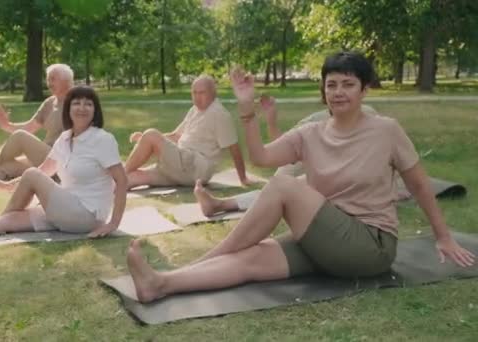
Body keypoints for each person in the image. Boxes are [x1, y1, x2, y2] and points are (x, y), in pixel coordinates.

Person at [125, 52, 475, 303]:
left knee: (284, 186)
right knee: (250, 259)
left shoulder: (386, 131)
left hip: (369, 246)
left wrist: (443, 237)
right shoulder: (311, 133)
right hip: (323, 241)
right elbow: (261, 157)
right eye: (331, 84)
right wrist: (246, 109)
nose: (338, 92)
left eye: (348, 84)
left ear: (364, 90)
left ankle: (204, 259)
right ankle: (161, 284)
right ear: (323, 90)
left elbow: (418, 183)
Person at [0, 86, 127, 242]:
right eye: (77, 103)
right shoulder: (65, 138)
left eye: (88, 104)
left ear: (95, 110)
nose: (82, 108)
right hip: (66, 208)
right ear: (69, 108)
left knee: (30, 176)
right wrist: (6, 185)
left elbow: (122, 180)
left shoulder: (103, 139)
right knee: (11, 219)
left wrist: (113, 223)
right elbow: (44, 171)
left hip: (88, 216)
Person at [194, 101, 378, 217]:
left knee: (289, 188)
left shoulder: (368, 118)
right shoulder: (315, 121)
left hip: (341, 182)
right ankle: (220, 204)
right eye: (332, 85)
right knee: (283, 186)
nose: (339, 93)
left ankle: (220, 204)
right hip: (312, 174)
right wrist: (271, 121)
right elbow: (283, 148)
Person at [124, 75, 251, 189]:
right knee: (133, 177)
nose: (197, 97)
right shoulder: (194, 110)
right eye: (194, 93)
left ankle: (121, 174)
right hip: (179, 165)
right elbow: (175, 136)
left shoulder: (220, 115)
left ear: (213, 93)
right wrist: (144, 140)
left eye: (201, 93)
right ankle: (118, 182)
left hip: (194, 167)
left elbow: (234, 148)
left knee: (151, 134)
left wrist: (243, 178)